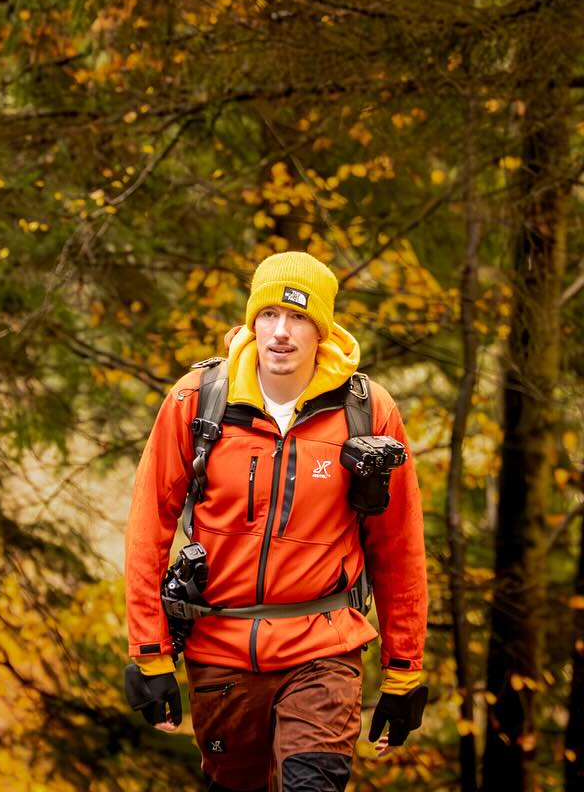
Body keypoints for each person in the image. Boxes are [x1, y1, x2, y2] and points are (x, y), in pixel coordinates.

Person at [122, 250, 429, 792]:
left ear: (323, 331)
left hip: (323, 649)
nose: (281, 333)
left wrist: (404, 670)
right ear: (251, 322)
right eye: (269, 316)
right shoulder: (198, 403)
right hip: (219, 655)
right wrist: (150, 654)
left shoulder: (367, 412)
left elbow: (399, 546)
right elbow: (148, 531)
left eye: (299, 318)